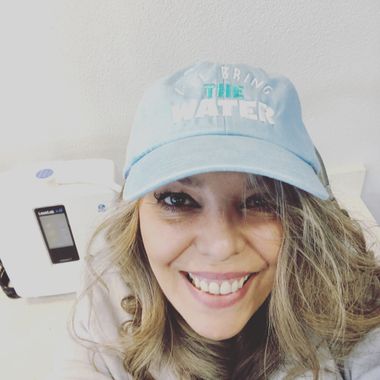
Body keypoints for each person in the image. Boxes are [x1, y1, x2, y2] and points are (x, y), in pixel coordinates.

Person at [48, 62, 380, 380]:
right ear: (135, 214)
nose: (221, 246)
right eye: (178, 200)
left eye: (261, 201)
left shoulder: (345, 284)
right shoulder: (109, 283)